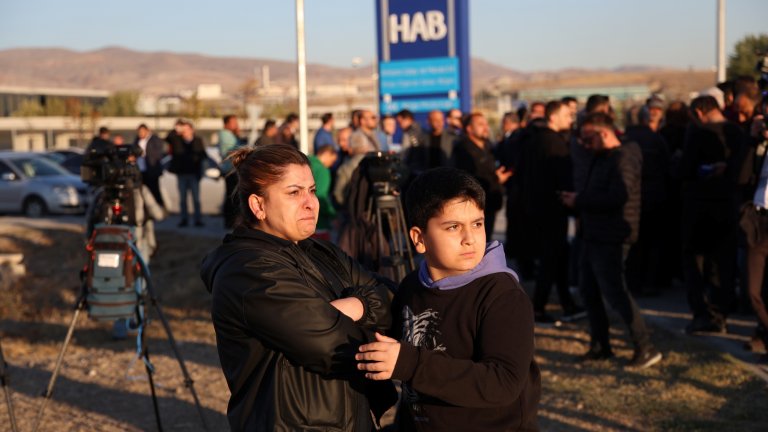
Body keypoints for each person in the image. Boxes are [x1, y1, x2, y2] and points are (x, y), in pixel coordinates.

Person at [200, 144, 395, 431]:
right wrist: (365, 320)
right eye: (294, 193)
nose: (310, 203)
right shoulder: (247, 269)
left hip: (351, 418)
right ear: (258, 205)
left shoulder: (320, 250)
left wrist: (354, 306)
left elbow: (393, 296)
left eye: (312, 190)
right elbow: (328, 344)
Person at [355, 167, 540, 431]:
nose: (469, 238)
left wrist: (410, 363)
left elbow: (503, 383)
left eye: (477, 224)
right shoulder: (412, 286)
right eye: (453, 227)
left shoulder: (503, 296)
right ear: (419, 239)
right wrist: (360, 308)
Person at [561, 112, 662, 368]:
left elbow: (619, 196)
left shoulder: (624, 155)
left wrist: (580, 201)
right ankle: (600, 346)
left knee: (616, 292)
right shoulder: (602, 156)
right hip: (593, 233)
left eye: (588, 138)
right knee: (589, 290)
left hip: (611, 236)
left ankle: (645, 347)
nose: (584, 144)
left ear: (604, 133)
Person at [451, 112, 512, 238]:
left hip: (491, 202)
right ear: (469, 129)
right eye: (480, 124)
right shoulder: (463, 149)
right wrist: (496, 178)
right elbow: (468, 177)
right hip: (475, 204)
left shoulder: (488, 145)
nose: (485, 127)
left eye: (486, 124)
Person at [169, 120, 206, 227]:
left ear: (192, 130)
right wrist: (176, 129)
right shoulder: (177, 140)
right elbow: (168, 138)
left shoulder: (198, 140)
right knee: (183, 199)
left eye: (186, 129)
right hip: (182, 174)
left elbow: (203, 155)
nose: (185, 131)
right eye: (183, 129)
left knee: (196, 199)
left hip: (194, 174)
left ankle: (197, 219)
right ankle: (184, 219)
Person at [218, 114, 246, 229]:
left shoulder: (231, 134)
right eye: (234, 122)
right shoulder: (225, 135)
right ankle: (230, 222)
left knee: (233, 196)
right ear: (227, 123)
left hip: (233, 169)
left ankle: (232, 221)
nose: (236, 124)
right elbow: (234, 150)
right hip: (230, 170)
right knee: (232, 196)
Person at [309, 144, 338, 240]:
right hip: (319, 223)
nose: (332, 164)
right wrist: (332, 214)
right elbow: (321, 197)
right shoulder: (323, 171)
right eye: (332, 160)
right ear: (326, 154)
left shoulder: (305, 164)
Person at [134, 124, 167, 208]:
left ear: (147, 131)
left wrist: (144, 154)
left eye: (142, 131)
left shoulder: (154, 139)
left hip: (151, 169)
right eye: (139, 132)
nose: (140, 133)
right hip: (140, 170)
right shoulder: (137, 140)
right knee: (142, 192)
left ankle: (160, 207)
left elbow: (158, 153)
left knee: (154, 190)